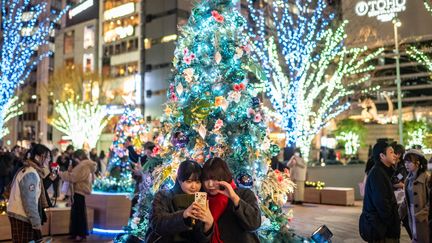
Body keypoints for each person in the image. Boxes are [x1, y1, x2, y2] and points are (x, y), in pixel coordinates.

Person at [146, 160, 213, 243]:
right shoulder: (164, 196)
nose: (194, 186)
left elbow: (198, 238)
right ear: (180, 180)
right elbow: (156, 224)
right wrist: (183, 215)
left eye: (197, 182)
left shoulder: (200, 199)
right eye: (189, 181)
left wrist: (208, 225)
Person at [201, 157, 261, 243]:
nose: (210, 184)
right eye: (206, 179)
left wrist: (234, 198)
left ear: (224, 178)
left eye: (214, 179)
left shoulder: (244, 194)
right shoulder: (203, 199)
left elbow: (254, 224)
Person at [7, 144, 51, 243]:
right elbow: (29, 202)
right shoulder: (30, 173)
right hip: (21, 216)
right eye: (47, 157)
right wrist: (36, 223)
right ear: (37, 157)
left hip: (19, 214)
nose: (49, 160)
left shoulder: (30, 170)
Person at [359, 140, 400, 242]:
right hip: (382, 231)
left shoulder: (383, 172)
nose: (395, 155)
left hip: (382, 228)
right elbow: (382, 203)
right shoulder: (378, 174)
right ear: (382, 156)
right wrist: (392, 222)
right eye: (391, 152)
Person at [59, 149, 97, 242]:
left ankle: (80, 234)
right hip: (77, 191)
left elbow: (74, 177)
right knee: (76, 213)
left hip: (79, 191)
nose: (75, 160)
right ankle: (76, 233)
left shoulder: (83, 165)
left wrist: (61, 174)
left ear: (79, 157)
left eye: (75, 158)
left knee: (79, 214)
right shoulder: (85, 165)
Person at [399, 150, 429, 243]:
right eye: (405, 162)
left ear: (418, 162)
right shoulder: (408, 179)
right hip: (412, 214)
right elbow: (406, 199)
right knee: (415, 237)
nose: (406, 164)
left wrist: (421, 215)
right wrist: (398, 214)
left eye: (409, 162)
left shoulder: (427, 178)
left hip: (424, 217)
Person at [391, 143, 411, 239]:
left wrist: (402, 184)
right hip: (392, 198)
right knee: (395, 224)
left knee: (406, 221)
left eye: (393, 152)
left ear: (398, 154)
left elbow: (405, 181)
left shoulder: (403, 166)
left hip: (402, 198)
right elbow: (390, 182)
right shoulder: (389, 166)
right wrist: (397, 184)